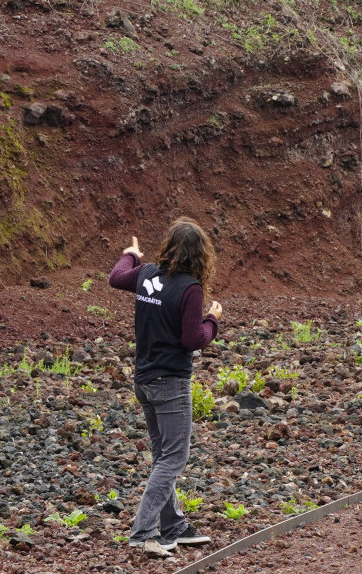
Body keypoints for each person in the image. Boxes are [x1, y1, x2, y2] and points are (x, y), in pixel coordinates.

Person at [109, 219, 223, 558]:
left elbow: (116, 277)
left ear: (170, 246)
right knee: (175, 457)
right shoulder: (191, 289)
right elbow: (193, 339)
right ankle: (144, 532)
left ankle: (173, 526)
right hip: (170, 382)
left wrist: (130, 254)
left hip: (143, 380)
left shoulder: (146, 275)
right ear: (201, 255)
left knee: (163, 456)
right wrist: (213, 319)